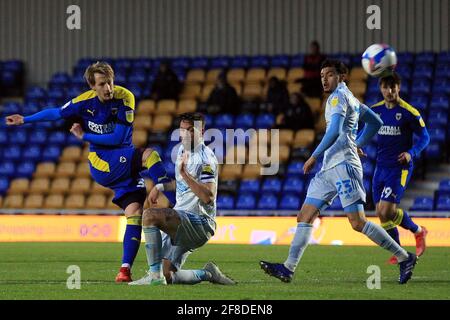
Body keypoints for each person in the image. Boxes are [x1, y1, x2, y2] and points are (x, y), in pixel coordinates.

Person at [5, 62, 175, 283]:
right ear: (92, 86)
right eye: (102, 84)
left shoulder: (125, 98)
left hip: (123, 160)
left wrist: (84, 136)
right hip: (103, 162)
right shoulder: (83, 102)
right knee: (150, 155)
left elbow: (116, 138)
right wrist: (25, 119)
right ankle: (176, 205)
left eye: (110, 82)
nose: (108, 88)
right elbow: (56, 113)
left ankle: (124, 270)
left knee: (134, 214)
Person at [259, 60, 418, 285]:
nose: (324, 79)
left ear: (342, 76)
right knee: (305, 216)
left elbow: (334, 131)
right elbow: (375, 121)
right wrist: (357, 142)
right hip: (330, 168)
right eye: (322, 75)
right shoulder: (350, 97)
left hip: (343, 166)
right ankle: (288, 268)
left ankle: (404, 256)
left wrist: (314, 156)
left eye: (330, 74)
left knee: (357, 222)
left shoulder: (337, 98)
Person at [129, 112, 235, 286]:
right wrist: (160, 187)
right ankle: (208, 273)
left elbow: (208, 197)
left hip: (199, 221)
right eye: (182, 129)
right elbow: (183, 185)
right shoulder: (181, 150)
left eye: (191, 130)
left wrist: (185, 174)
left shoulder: (207, 159)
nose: (185, 134)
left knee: (149, 216)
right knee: (168, 275)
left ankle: (154, 277)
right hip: (182, 219)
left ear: (202, 131)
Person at [369, 72, 430, 264]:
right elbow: (365, 130)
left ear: (399, 87)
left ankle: (416, 234)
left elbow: (425, 137)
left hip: (399, 168)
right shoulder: (375, 111)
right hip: (380, 167)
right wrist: (358, 145)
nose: (389, 91)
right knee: (381, 213)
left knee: (386, 210)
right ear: (380, 89)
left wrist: (411, 152)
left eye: (393, 87)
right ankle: (402, 248)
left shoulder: (409, 112)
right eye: (385, 87)